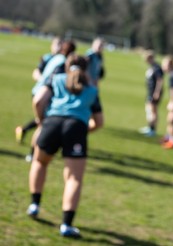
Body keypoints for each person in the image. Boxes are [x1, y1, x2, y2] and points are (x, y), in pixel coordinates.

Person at [26, 54, 103, 238]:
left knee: (39, 162)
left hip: (52, 123)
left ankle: (34, 205)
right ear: (86, 70)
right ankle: (66, 225)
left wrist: (41, 121)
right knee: (74, 178)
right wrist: (83, 130)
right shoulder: (92, 90)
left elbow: (38, 101)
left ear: (67, 66)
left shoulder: (56, 79)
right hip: (76, 127)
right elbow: (99, 122)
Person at [19, 40, 77, 163]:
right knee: (42, 125)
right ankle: (33, 154)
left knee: (42, 123)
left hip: (39, 91)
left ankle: (27, 136)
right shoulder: (62, 63)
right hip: (44, 94)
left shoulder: (55, 58)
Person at [15, 37, 62, 145]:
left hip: (50, 93)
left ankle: (23, 130)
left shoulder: (61, 59)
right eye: (57, 44)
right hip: (41, 92)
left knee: (44, 119)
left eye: (61, 44)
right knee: (44, 121)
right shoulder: (47, 58)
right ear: (52, 45)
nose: (58, 47)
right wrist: (44, 81)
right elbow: (36, 72)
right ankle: (34, 151)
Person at [139, 51, 164, 137]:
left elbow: (160, 81)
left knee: (153, 111)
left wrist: (157, 92)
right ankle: (149, 127)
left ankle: (152, 130)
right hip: (150, 92)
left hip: (154, 93)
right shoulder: (152, 67)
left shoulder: (157, 68)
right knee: (149, 110)